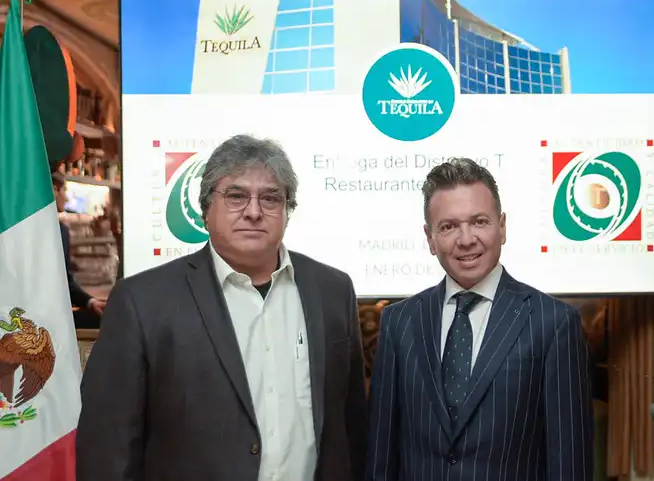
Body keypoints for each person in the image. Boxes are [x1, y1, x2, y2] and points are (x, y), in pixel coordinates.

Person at [77, 135, 368, 481]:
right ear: (205, 209)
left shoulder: (332, 291)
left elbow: (352, 428)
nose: (254, 212)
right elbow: (109, 450)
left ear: (287, 212)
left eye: (270, 198)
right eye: (236, 196)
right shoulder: (141, 302)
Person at [366, 158, 594, 481]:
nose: (466, 239)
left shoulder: (553, 323)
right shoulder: (398, 322)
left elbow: (569, 462)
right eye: (448, 226)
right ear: (430, 238)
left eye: (479, 222)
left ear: (502, 227)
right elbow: (381, 457)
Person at [52, 172, 107, 324]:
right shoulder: (17, 230)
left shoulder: (61, 231)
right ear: (54, 190)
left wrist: (91, 302)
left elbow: (66, 282)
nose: (67, 198)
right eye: (64, 191)